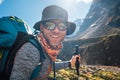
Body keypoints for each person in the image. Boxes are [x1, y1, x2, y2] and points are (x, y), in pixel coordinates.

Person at [10, 5, 80, 80]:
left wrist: (70, 63)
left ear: (66, 30)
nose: (56, 30)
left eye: (62, 26)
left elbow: (47, 65)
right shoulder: (31, 51)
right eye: (50, 25)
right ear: (42, 27)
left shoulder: (46, 48)